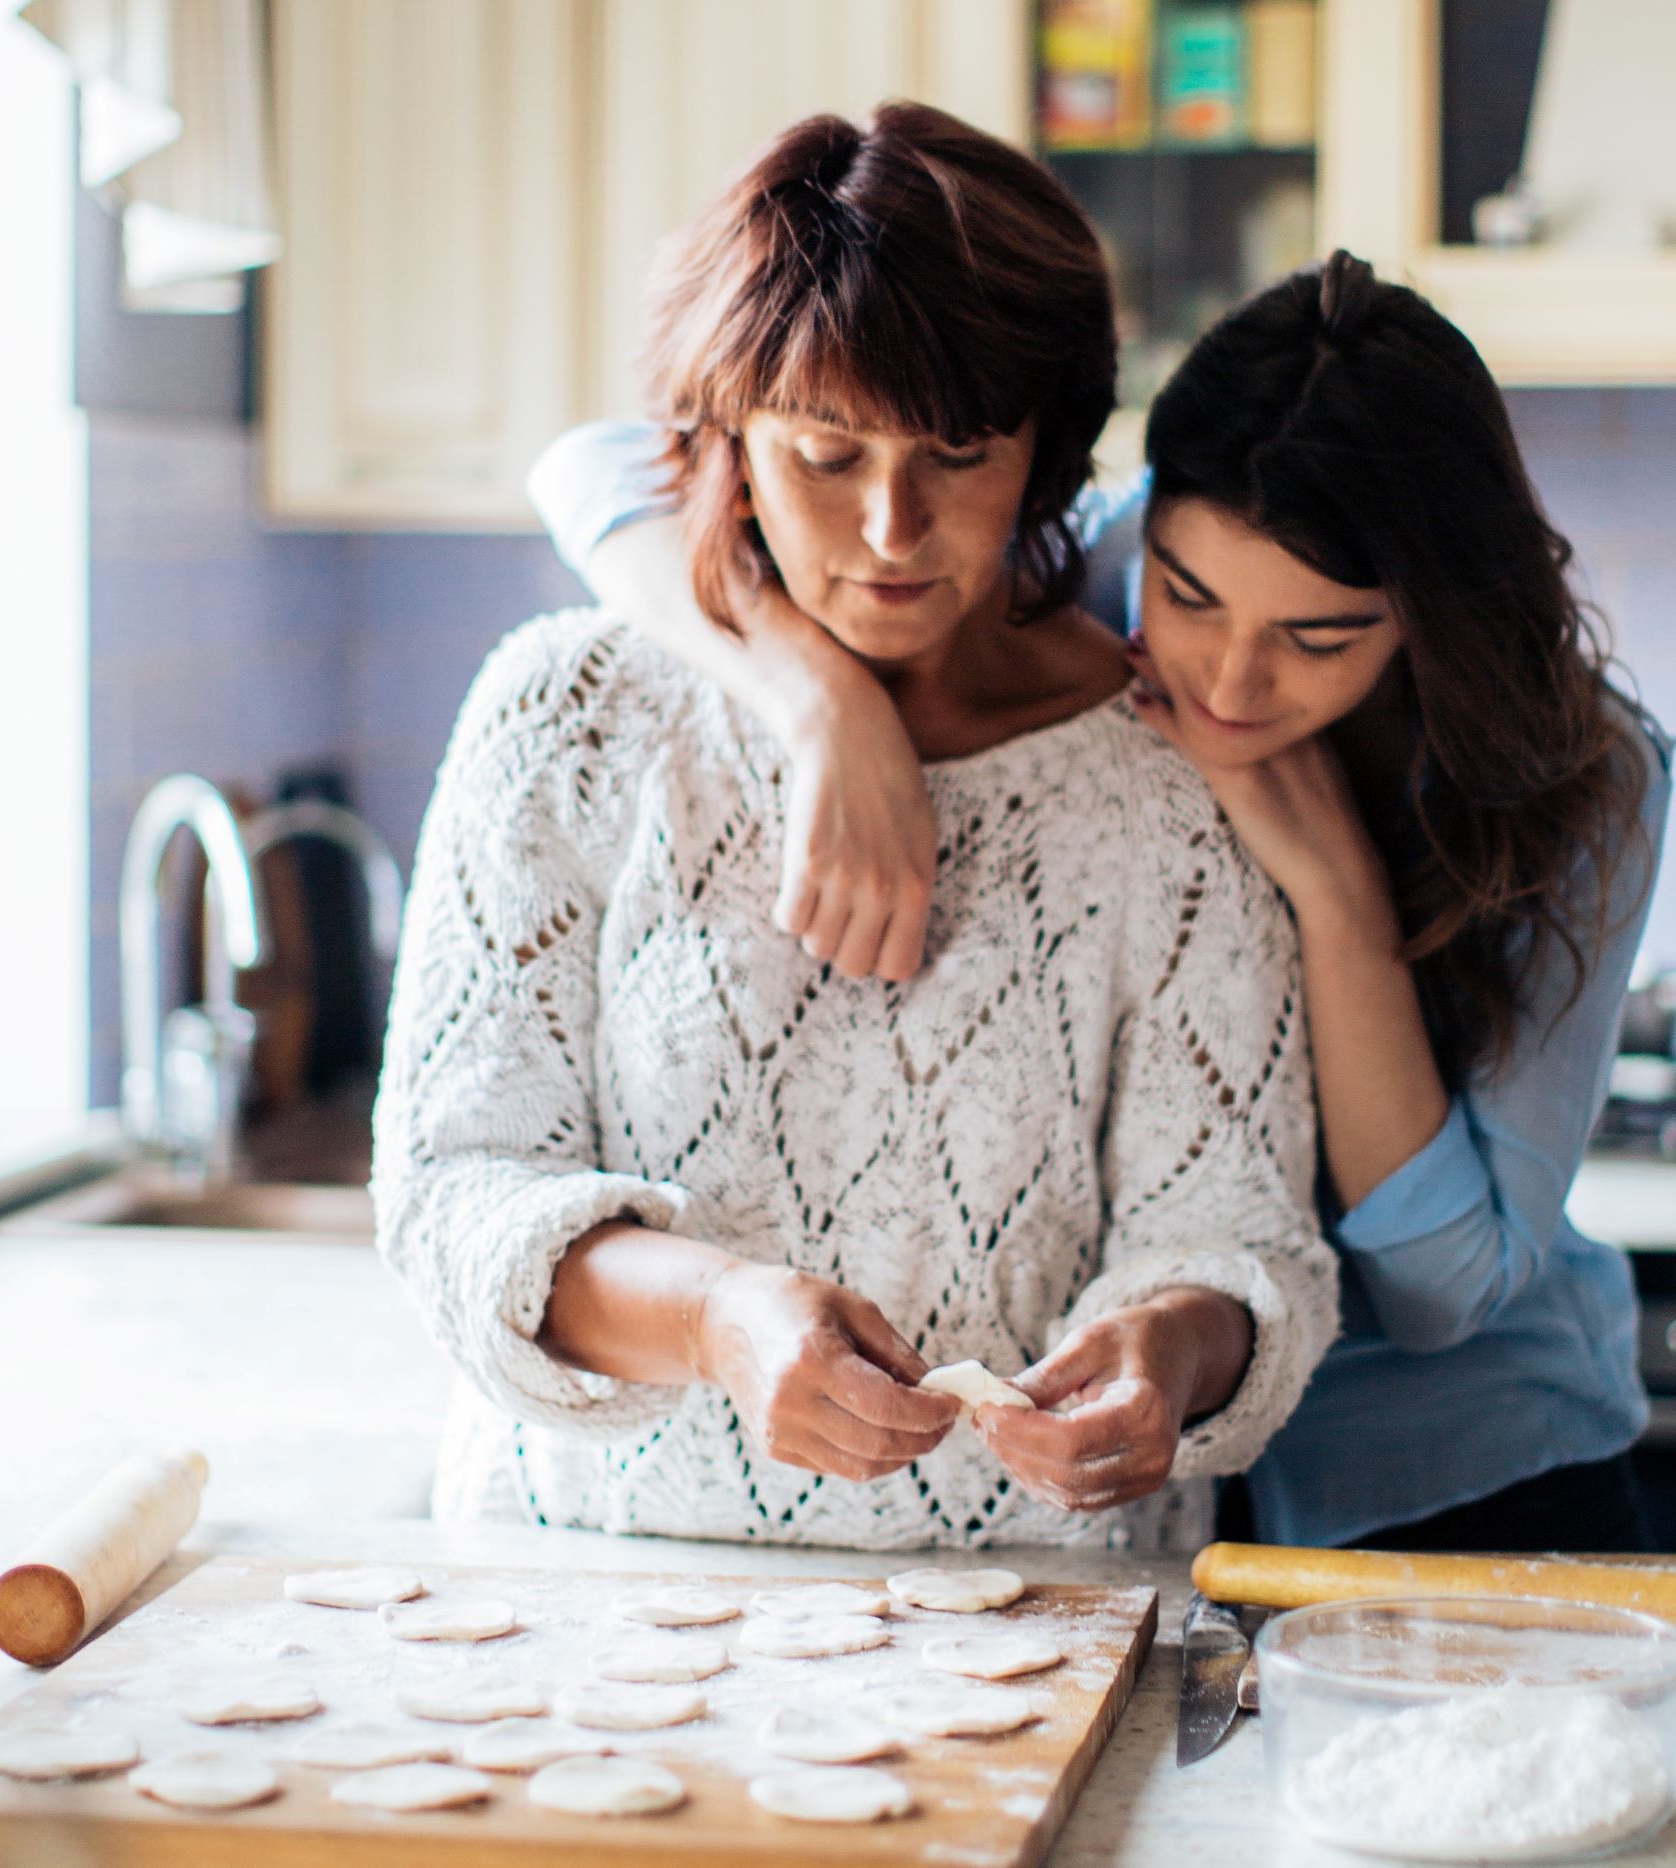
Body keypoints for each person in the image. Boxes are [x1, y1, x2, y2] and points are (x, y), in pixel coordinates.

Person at [530, 251, 1671, 1554]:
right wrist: (821, 706)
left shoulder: (1585, 774)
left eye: (1321, 637)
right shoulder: (1080, 572)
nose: (1233, 681)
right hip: (1139, 1499)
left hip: (1452, 1473)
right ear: (1146, 515)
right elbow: (600, 470)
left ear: (1425, 614)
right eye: (1188, 597)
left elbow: (1443, 1291)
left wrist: (1337, 898)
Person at [370, 102, 1336, 1551]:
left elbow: (1245, 1236)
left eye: (958, 453)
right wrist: (712, 1320)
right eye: (827, 455)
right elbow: (452, 1193)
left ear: (1049, 451)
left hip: (1044, 1621)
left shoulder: (1168, 779)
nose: (894, 530)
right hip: (592, 1615)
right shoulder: (568, 717)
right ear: (725, 442)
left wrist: (1171, 1352)